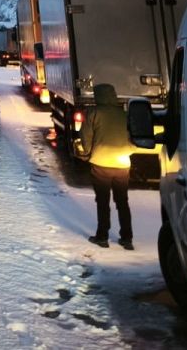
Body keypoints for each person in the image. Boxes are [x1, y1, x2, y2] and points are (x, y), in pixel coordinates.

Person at [76, 82, 135, 250]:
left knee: (103, 201)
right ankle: (127, 238)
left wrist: (86, 153)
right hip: (122, 163)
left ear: (98, 97)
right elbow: (133, 136)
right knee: (122, 201)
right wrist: (128, 150)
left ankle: (102, 237)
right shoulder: (123, 115)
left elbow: (85, 136)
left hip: (101, 163)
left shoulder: (93, 113)